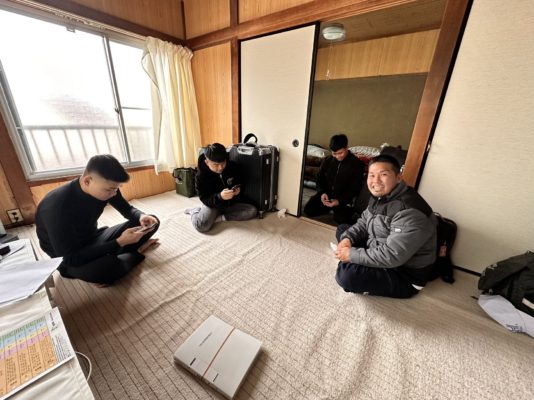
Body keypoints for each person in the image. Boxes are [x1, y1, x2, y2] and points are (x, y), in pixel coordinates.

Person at [36, 154, 160, 285]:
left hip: (93, 238)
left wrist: (141, 216)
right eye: (110, 190)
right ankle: (134, 252)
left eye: (116, 189)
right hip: (68, 258)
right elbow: (70, 258)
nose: (114, 194)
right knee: (107, 267)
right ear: (87, 181)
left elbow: (127, 209)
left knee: (151, 222)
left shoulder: (107, 187)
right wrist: (119, 242)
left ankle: (121, 252)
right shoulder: (56, 207)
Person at [333, 154, 437, 298]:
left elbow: (392, 255)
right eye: (371, 175)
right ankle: (354, 256)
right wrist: (347, 239)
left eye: (383, 174)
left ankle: (351, 261)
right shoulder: (380, 196)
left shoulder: (410, 211)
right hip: (382, 247)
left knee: (346, 276)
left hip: (403, 273)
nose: (375, 181)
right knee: (343, 230)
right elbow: (363, 222)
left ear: (398, 177)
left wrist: (351, 255)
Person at [185, 143, 257, 232]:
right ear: (207, 162)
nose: (220, 168)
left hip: (230, 203)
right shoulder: (200, 176)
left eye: (223, 163)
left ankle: (220, 218)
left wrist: (237, 191)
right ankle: (195, 212)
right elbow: (204, 198)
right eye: (215, 165)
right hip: (213, 204)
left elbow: (240, 182)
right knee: (201, 226)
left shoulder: (233, 166)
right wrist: (220, 196)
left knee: (252, 211)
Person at [304, 134, 365, 224]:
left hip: (344, 198)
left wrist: (339, 201)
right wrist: (322, 193)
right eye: (334, 153)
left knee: (341, 219)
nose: (337, 156)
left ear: (347, 147)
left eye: (340, 153)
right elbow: (319, 178)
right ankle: (330, 207)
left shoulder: (357, 164)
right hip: (327, 195)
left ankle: (337, 209)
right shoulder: (327, 160)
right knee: (308, 210)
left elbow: (354, 188)